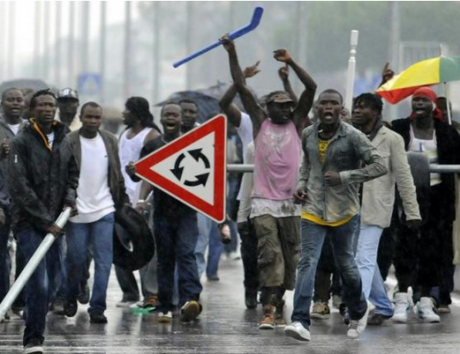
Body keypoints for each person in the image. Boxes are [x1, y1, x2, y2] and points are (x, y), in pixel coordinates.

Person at [222, 36, 317, 329]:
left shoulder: (297, 124)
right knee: (270, 256)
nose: (287, 110)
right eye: (280, 106)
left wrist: (291, 62)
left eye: (289, 106)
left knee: (290, 263)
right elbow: (240, 86)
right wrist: (233, 52)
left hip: (292, 205)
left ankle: (278, 299)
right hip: (262, 203)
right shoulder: (260, 122)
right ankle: (268, 308)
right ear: (267, 107)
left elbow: (311, 88)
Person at [285, 89, 387, 341]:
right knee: (307, 262)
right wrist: (300, 186)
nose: (328, 108)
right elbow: (306, 166)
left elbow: (379, 166)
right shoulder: (308, 133)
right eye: (324, 104)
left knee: (347, 266)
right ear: (317, 108)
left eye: (334, 104)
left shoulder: (354, 136)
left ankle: (358, 310)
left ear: (341, 109)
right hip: (313, 209)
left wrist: (345, 176)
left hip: (344, 210)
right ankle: (300, 322)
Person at [7, 89, 78, 354]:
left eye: (51, 105)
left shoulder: (64, 138)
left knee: (56, 279)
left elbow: (73, 172)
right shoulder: (22, 141)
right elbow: (18, 186)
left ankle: (34, 313)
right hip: (28, 222)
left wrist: (70, 197)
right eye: (42, 105)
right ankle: (33, 339)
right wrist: (45, 220)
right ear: (32, 109)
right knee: (39, 281)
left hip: (56, 222)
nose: (48, 109)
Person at [390, 87, 460, 321]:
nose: (418, 103)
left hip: (438, 195)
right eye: (415, 99)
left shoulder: (447, 132)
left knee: (432, 248)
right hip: (407, 194)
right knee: (405, 245)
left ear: (434, 106)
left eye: (423, 100)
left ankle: (426, 300)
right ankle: (401, 296)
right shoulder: (399, 128)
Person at [352, 93, 421, 325]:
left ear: (377, 112)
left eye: (363, 107)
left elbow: (404, 177)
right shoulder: (348, 135)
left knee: (364, 257)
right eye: (355, 107)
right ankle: (383, 304)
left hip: (376, 208)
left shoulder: (392, 139)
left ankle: (357, 309)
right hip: (348, 207)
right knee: (357, 258)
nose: (357, 111)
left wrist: (412, 211)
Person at [131, 103, 203, 323]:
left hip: (187, 211)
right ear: (161, 119)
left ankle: (190, 301)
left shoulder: (193, 143)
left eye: (175, 115)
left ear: (182, 119)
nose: (171, 118)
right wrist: (141, 199)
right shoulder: (152, 145)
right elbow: (144, 177)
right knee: (164, 259)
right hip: (162, 211)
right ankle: (165, 305)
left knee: (186, 254)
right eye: (167, 115)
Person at [64, 102, 129, 324]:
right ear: (81, 117)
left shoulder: (110, 140)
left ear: (101, 119)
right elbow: (62, 174)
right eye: (88, 117)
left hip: (105, 209)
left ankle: (97, 308)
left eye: (96, 117)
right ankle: (72, 293)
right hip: (76, 212)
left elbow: (117, 172)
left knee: (104, 262)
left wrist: (123, 202)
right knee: (76, 258)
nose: (92, 121)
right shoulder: (70, 141)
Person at [115, 96, 161, 308]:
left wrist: (144, 199)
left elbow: (154, 170)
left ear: (136, 112)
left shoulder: (151, 135)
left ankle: (149, 294)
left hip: (143, 200)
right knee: (118, 246)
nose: (123, 114)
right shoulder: (124, 135)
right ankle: (129, 293)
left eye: (126, 110)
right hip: (122, 199)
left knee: (144, 248)